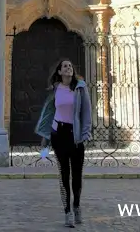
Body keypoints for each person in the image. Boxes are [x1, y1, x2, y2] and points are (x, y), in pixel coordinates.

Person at [35, 58, 92, 227]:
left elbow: (86, 113)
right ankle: (67, 212)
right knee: (63, 175)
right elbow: (49, 113)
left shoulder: (80, 88)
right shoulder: (55, 89)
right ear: (59, 72)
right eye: (64, 66)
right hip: (58, 134)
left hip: (75, 136)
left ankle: (77, 206)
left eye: (70, 66)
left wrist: (85, 135)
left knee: (77, 176)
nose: (68, 68)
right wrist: (45, 138)